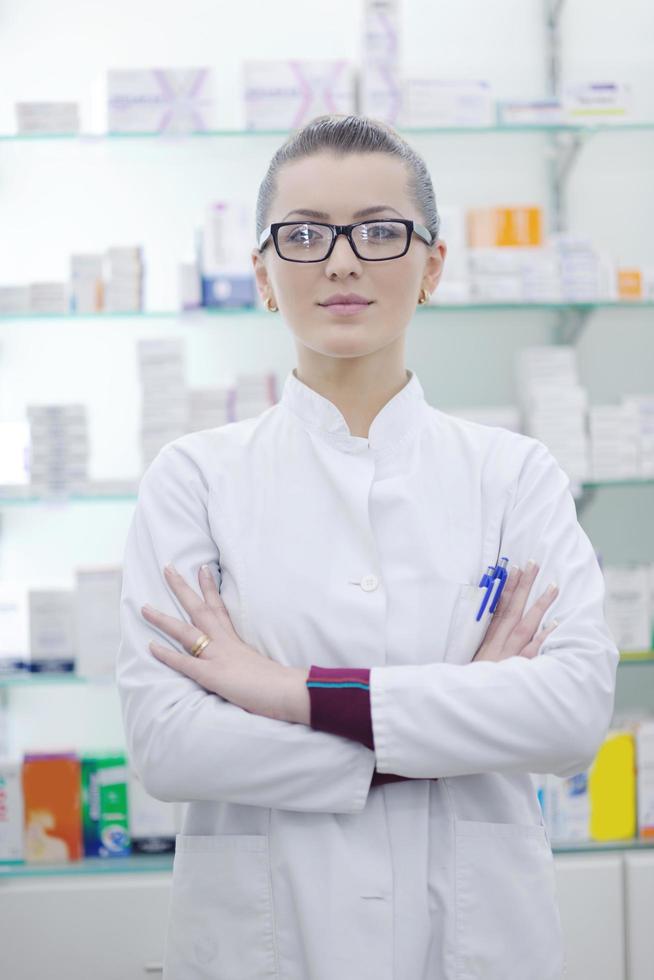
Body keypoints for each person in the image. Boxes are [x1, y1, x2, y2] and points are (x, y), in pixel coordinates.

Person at [116, 113, 619, 980]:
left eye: (380, 232)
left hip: (475, 939)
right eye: (304, 235)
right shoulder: (192, 477)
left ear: (432, 266)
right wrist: (462, 711)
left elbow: (572, 714)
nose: (341, 261)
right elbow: (171, 745)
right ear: (264, 275)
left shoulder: (515, 475)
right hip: (264, 943)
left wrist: (280, 690)